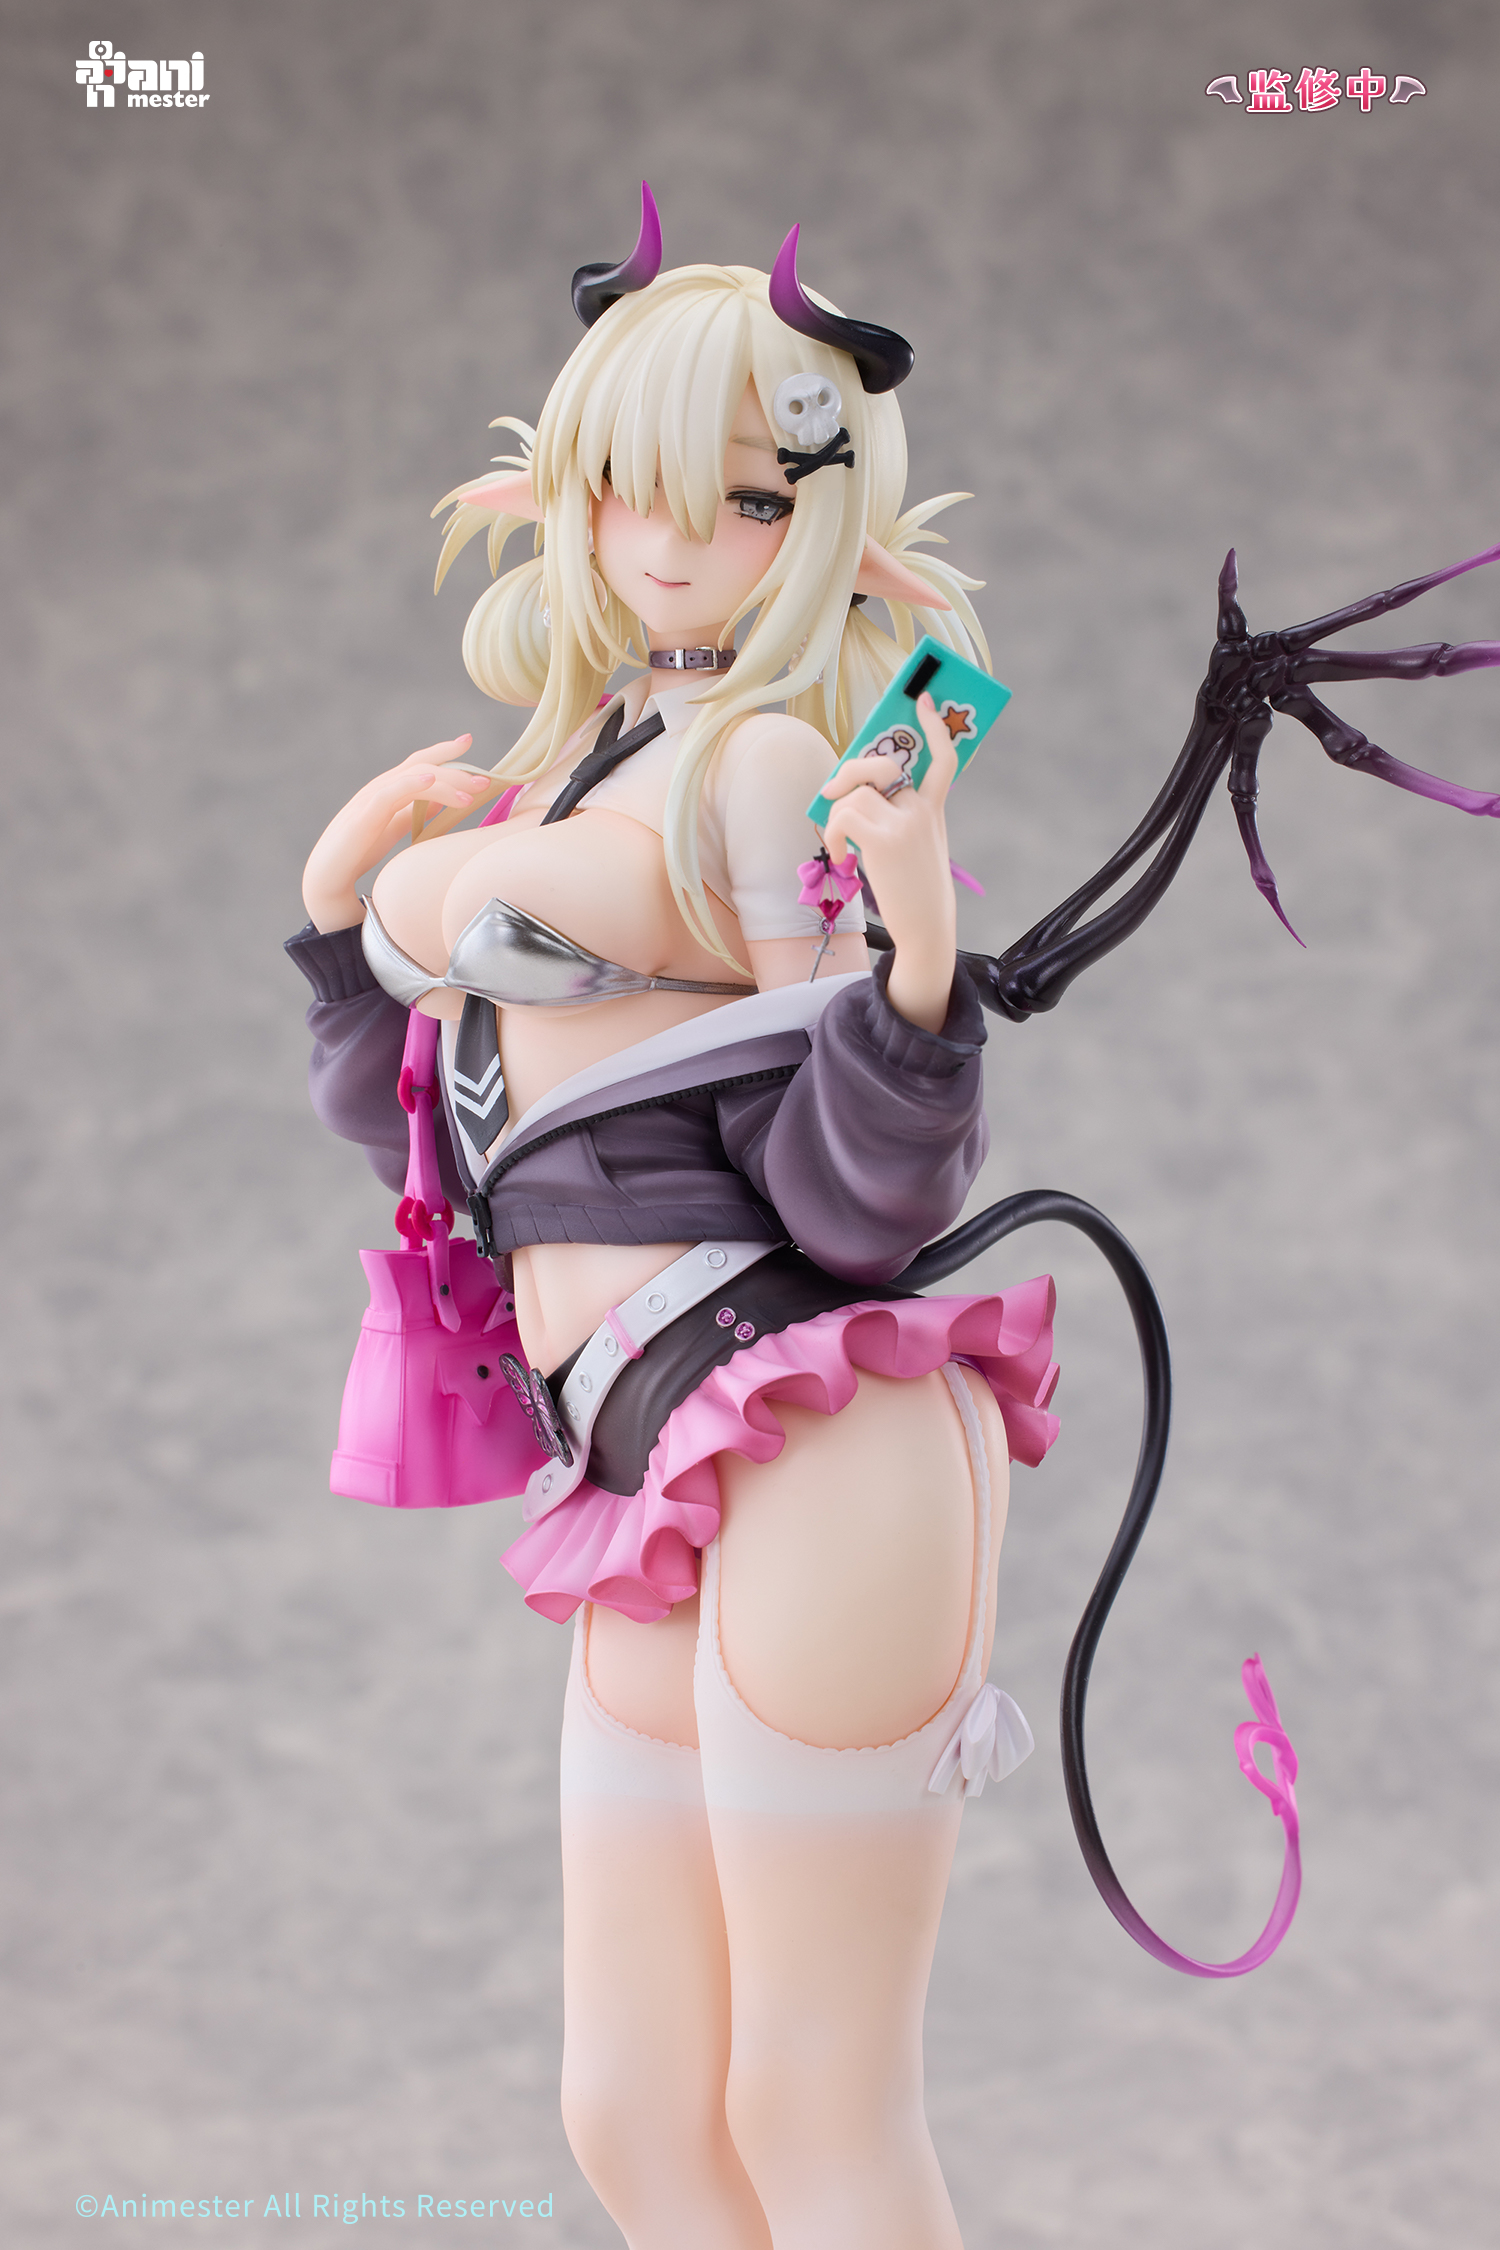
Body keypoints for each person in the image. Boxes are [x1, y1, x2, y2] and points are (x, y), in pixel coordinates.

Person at [288, 189, 1057, 2249]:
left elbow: (852, 1196)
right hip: (640, 1463)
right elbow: (438, 1136)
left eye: (740, 495)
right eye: (629, 485)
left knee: (810, 2100)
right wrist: (343, 924)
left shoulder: (770, 764)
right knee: (634, 2111)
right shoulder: (586, 762)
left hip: (807, 1429)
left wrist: (912, 963)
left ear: (816, 515)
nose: (672, 538)